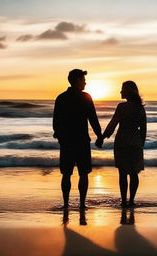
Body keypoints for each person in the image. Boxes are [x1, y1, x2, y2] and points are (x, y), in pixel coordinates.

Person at [53, 69, 102, 209]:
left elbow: (56, 121)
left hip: (67, 141)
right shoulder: (86, 97)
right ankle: (81, 204)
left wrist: (59, 136)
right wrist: (99, 136)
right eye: (83, 80)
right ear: (78, 80)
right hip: (81, 141)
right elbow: (93, 119)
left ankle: (66, 204)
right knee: (84, 173)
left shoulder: (61, 98)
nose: (85, 82)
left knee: (66, 174)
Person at [102, 81, 147, 208]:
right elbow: (143, 128)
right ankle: (131, 201)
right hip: (135, 141)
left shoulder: (122, 107)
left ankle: (123, 201)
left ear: (128, 91)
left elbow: (113, 124)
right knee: (134, 173)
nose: (120, 92)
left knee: (122, 173)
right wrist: (140, 143)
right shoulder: (140, 108)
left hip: (122, 141)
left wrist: (103, 137)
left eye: (122, 89)